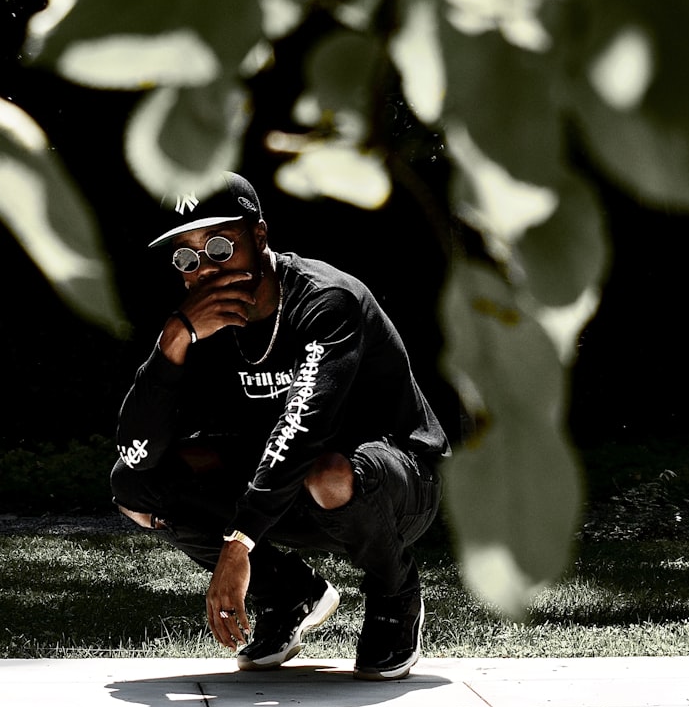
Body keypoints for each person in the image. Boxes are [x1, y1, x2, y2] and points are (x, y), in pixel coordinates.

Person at [110, 171, 450, 679]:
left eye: (221, 246)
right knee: (134, 486)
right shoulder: (202, 323)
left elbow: (303, 429)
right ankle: (289, 596)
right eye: (187, 257)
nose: (205, 270)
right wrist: (173, 343)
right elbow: (137, 451)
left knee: (326, 471)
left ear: (260, 238)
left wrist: (238, 543)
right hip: (285, 488)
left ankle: (394, 591)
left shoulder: (326, 301)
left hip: (394, 482)